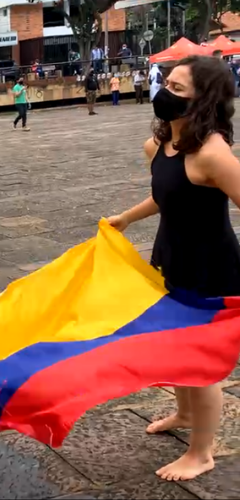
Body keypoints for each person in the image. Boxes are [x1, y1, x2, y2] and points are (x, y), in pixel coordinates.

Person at [107, 56, 240, 482]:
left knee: (200, 365)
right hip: (172, 260)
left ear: (205, 100)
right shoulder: (160, 145)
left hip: (211, 271)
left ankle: (202, 453)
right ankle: (184, 414)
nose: (165, 92)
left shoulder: (213, 153)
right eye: (167, 82)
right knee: (176, 349)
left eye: (179, 89)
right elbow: (170, 195)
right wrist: (127, 218)